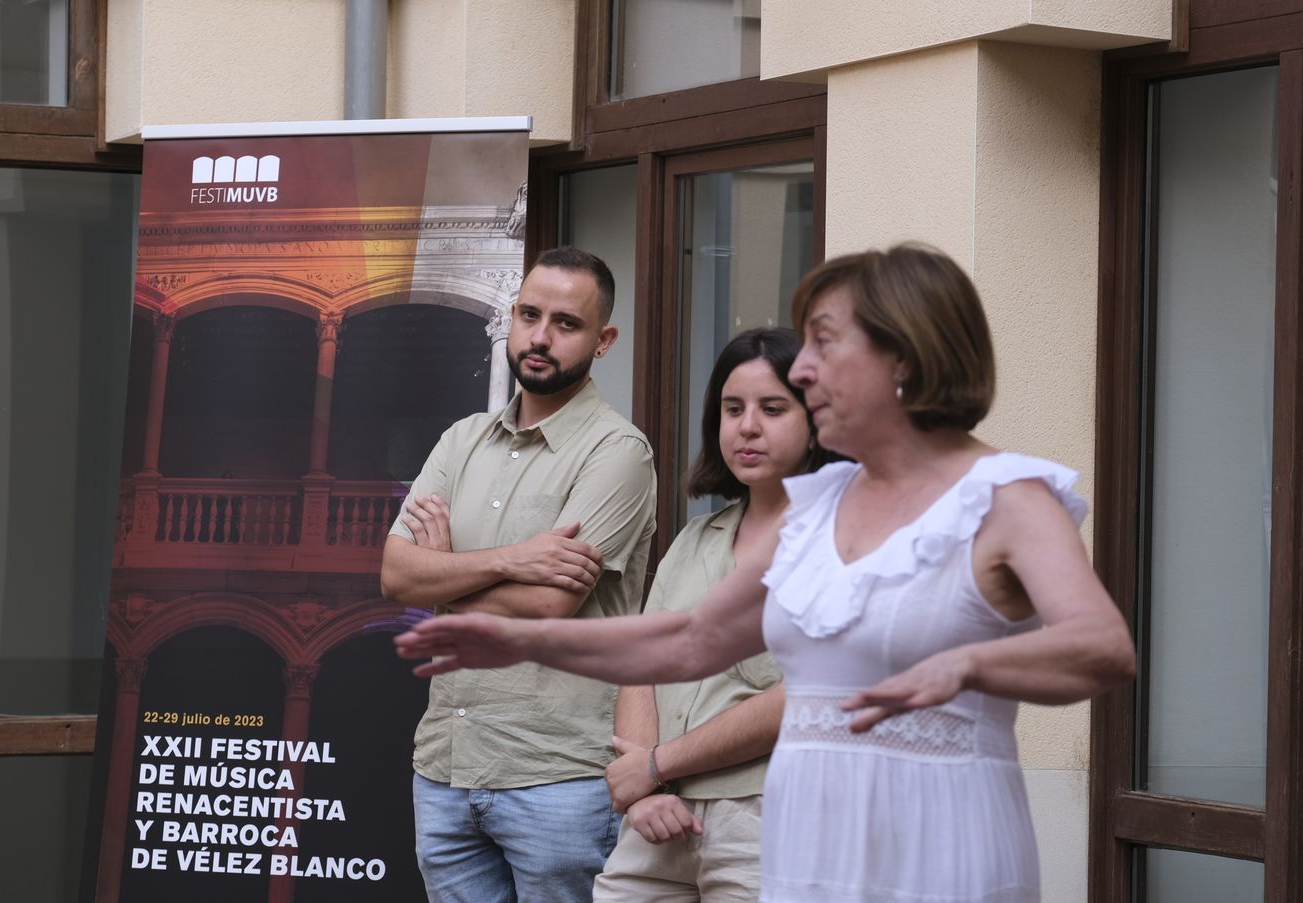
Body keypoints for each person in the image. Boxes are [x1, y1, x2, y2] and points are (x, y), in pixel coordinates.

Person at [395, 243, 1137, 902]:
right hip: (807, 845)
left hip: (933, 843)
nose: (804, 367)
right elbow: (687, 641)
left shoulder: (1007, 495)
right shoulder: (824, 503)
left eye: (821, 343)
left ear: (903, 359)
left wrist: (969, 662)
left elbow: (1102, 646)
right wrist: (523, 640)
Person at [380, 246, 657, 903]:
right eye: (530, 314)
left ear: (604, 339)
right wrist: (509, 557)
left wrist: (444, 573)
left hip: (557, 775)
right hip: (445, 767)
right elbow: (396, 574)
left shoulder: (617, 454)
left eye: (566, 323)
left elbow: (546, 602)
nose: (540, 336)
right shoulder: (461, 440)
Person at [593, 327, 833, 902]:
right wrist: (645, 792)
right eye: (732, 408)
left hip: (767, 816)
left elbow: (808, 695)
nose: (747, 426)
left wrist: (655, 765)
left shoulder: (841, 542)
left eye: (773, 409)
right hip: (656, 819)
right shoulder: (697, 537)